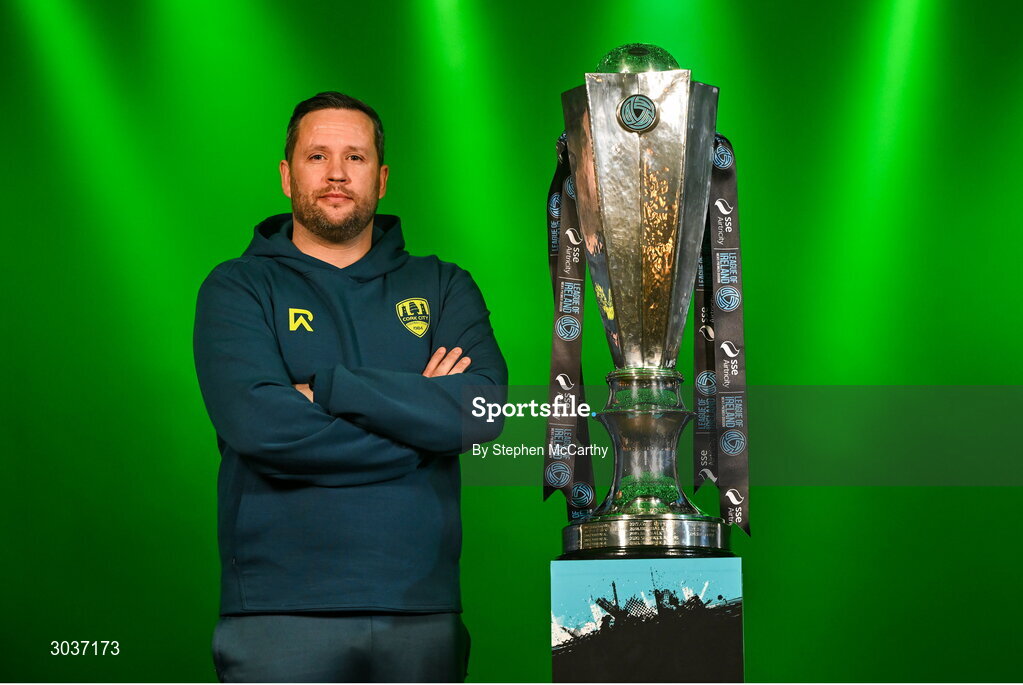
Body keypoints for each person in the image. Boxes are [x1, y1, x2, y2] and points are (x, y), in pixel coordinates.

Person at [193, 91, 507, 682]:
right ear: (286, 176)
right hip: (277, 613)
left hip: (422, 610)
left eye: (355, 157)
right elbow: (260, 427)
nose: (336, 173)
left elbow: (483, 410)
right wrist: (422, 426)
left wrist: (329, 389)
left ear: (381, 179)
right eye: (317, 156)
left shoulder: (443, 286)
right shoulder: (237, 288)